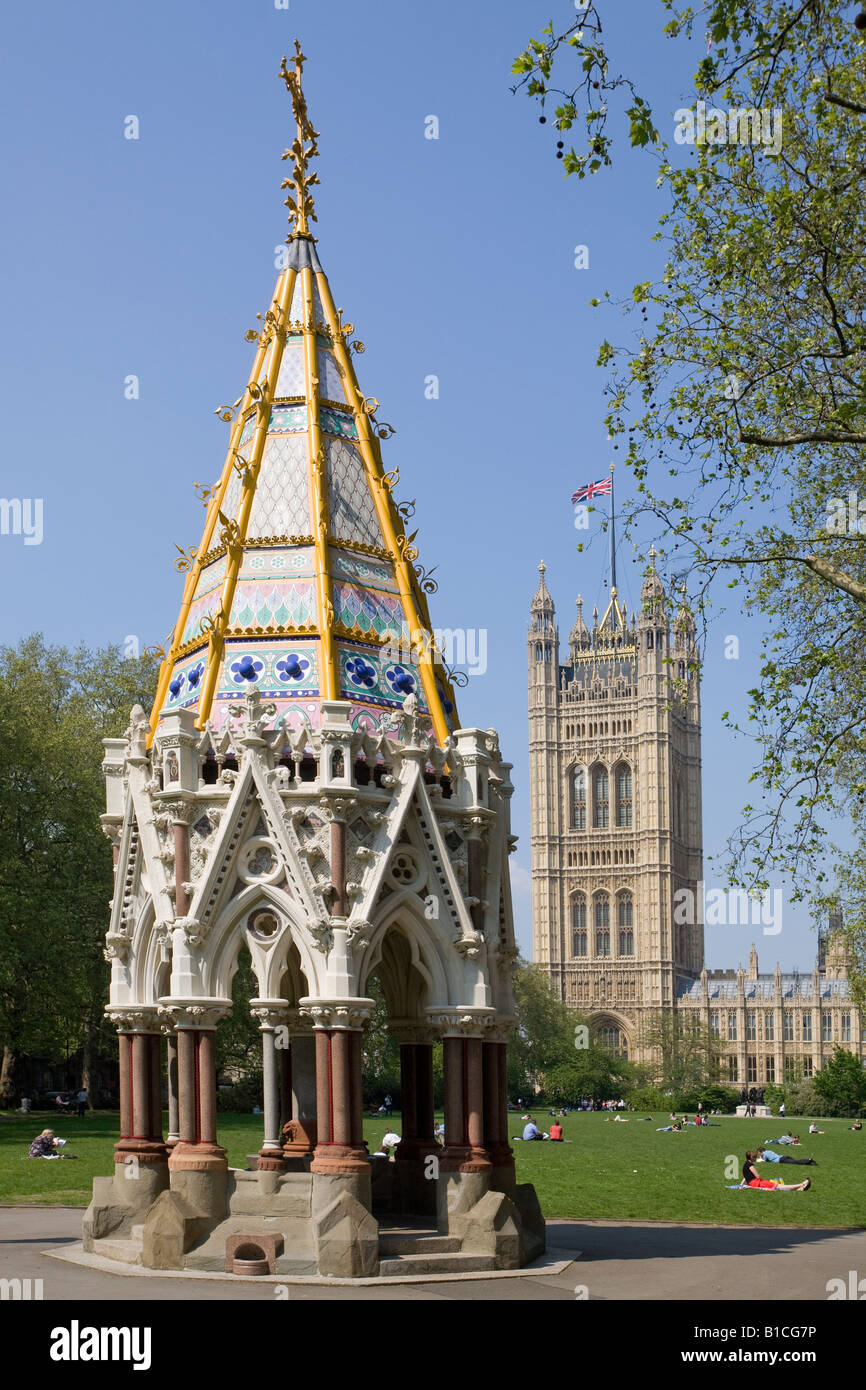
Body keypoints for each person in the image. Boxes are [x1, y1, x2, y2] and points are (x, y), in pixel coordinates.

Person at [740, 1151, 809, 1192]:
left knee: (779, 1186)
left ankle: (800, 1188)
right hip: (757, 1183)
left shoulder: (745, 1164)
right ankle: (802, 1184)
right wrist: (762, 1181)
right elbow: (757, 1176)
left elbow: (746, 1177)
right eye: (754, 1157)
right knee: (779, 1186)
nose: (755, 1158)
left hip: (753, 1183)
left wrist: (741, 1185)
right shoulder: (750, 1165)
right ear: (750, 1157)